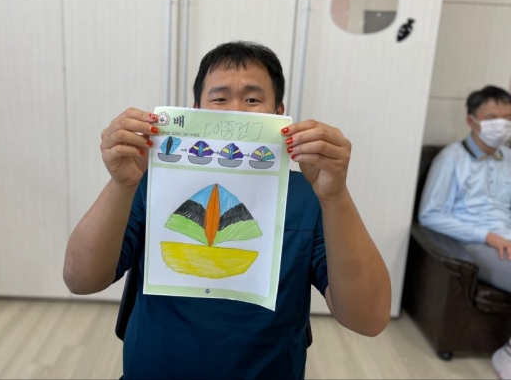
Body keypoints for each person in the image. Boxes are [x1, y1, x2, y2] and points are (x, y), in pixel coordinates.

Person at [63, 41, 391, 379]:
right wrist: (121, 184)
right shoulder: (149, 183)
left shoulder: (310, 196)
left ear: (279, 114)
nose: (236, 111)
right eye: (219, 99)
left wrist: (335, 196)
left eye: (252, 100)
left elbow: (369, 320)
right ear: (195, 110)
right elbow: (80, 279)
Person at [419, 85, 511, 379]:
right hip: (476, 243)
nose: (502, 125)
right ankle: (507, 354)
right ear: (471, 120)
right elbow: (430, 215)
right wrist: (488, 236)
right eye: (493, 118)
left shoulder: (509, 158)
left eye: (507, 118)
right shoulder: (451, 159)